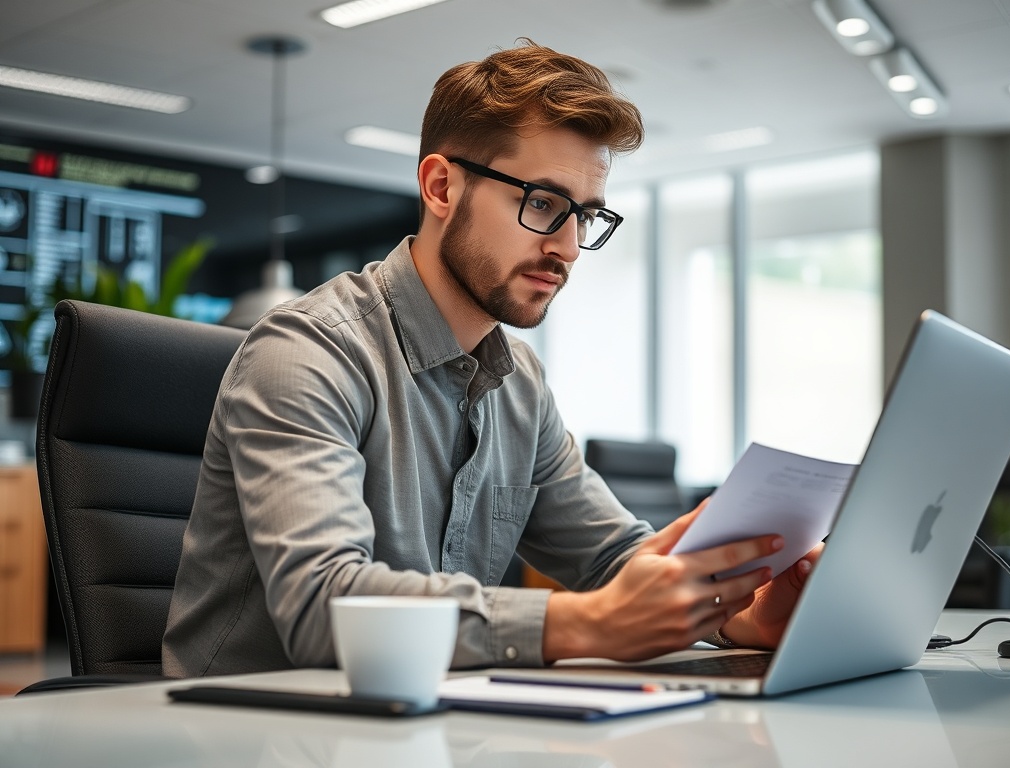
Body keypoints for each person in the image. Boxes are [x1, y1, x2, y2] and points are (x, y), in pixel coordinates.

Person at [162, 40, 817, 678]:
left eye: (585, 218)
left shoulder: (519, 383)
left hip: (420, 725)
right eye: (542, 204)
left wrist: (740, 615)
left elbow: (615, 561)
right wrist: (582, 624)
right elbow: (319, 605)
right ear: (442, 188)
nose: (567, 247)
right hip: (245, 730)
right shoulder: (307, 351)